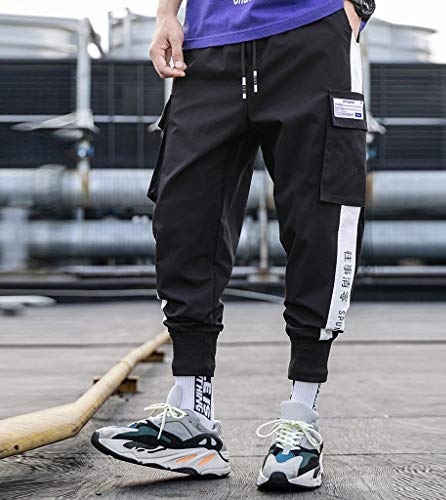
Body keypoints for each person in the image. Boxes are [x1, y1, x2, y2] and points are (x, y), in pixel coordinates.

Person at [92, 0, 375, 490]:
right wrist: (166, 15)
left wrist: (358, 7)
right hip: (209, 44)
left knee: (320, 220)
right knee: (184, 218)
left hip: (310, 31)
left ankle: (301, 420)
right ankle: (192, 419)